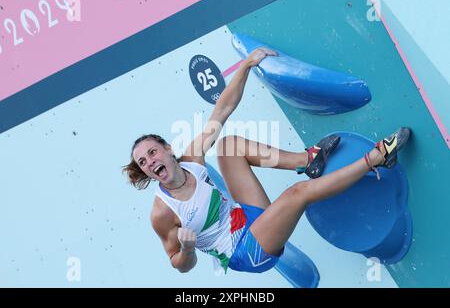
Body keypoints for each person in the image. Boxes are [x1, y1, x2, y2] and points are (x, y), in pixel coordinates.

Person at [123, 47, 411, 274]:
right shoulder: (162, 213)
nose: (150, 161)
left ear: (168, 149)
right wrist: (187, 250)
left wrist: (246, 65)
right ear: (146, 172)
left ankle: (308, 160)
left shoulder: (192, 159)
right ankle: (376, 158)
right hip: (247, 252)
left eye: (152, 152)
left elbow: (222, 109)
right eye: (143, 162)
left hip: (249, 217)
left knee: (228, 145)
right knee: (296, 195)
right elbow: (179, 263)